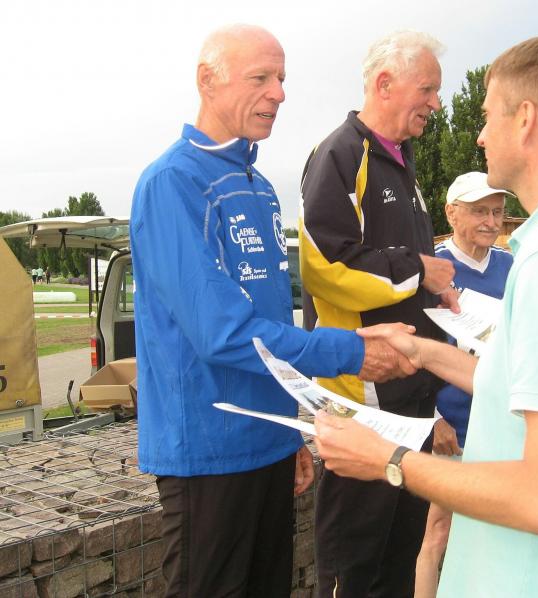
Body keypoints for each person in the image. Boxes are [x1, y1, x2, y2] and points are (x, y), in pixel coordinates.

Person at [313, 31, 538, 597]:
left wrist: (389, 459)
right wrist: (425, 350)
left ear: (526, 119)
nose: (480, 134)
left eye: (487, 116)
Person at [129, 24, 413, 597]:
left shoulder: (259, 186)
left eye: (281, 78)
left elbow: (274, 322)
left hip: (265, 446)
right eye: (260, 77)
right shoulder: (172, 183)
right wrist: (350, 351)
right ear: (207, 81)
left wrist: (287, 438)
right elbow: (222, 334)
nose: (279, 93)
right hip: (208, 452)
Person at [299, 30, 458, 597]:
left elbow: (399, 271)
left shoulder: (401, 161)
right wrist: (420, 269)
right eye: (428, 89)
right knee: (353, 567)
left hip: (410, 394)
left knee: (399, 561)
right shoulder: (341, 154)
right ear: (384, 83)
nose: (436, 103)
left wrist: (438, 297)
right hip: (361, 401)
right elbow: (325, 267)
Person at [415, 171, 513, 598]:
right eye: (479, 212)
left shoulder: (512, 266)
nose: (491, 222)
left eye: (497, 212)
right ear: (451, 213)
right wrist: (434, 418)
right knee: (436, 534)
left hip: (501, 425)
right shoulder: (431, 267)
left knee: (495, 536)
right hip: (452, 427)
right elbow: (415, 349)